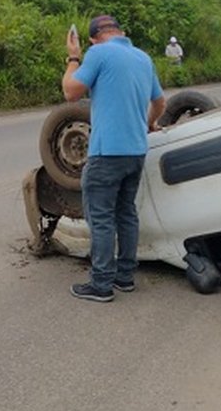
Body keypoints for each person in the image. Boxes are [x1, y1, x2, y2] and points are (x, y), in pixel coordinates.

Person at [62, 15, 167, 303]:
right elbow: (160, 103)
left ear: (94, 37)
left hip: (107, 153)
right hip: (135, 151)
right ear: (121, 32)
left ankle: (101, 284)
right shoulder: (143, 58)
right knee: (126, 213)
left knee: (101, 218)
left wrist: (73, 57)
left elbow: (70, 92)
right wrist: (148, 123)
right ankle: (125, 277)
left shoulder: (98, 53)